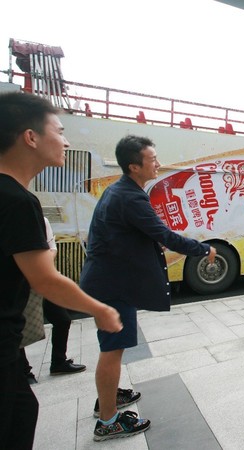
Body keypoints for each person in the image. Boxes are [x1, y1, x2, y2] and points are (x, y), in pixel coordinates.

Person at [0, 91, 122, 450]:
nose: (66, 140)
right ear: (31, 137)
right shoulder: (18, 201)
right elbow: (44, 279)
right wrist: (100, 309)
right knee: (17, 418)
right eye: (59, 130)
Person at [80, 135, 217, 442]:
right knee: (112, 350)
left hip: (109, 279)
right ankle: (108, 421)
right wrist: (201, 248)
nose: (158, 163)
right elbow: (164, 235)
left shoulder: (120, 190)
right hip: (113, 285)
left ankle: (108, 398)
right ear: (134, 166)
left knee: (113, 347)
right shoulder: (129, 198)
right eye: (152, 159)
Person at [20, 217, 87, 384]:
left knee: (62, 319)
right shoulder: (14, 224)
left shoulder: (43, 222)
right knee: (18, 326)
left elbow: (52, 249)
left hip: (45, 278)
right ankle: (24, 371)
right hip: (20, 282)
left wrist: (41, 269)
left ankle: (58, 362)